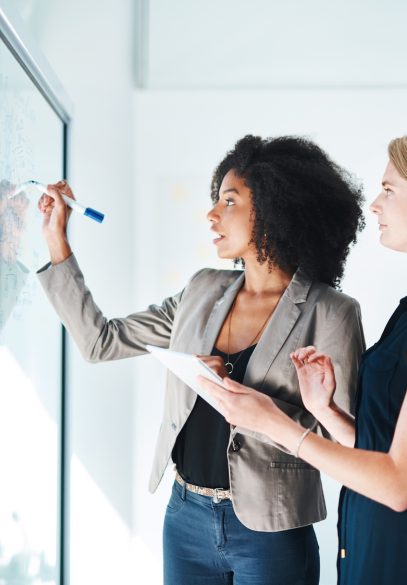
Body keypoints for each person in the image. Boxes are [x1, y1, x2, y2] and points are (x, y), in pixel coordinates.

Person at [37, 135, 365, 585]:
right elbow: (101, 341)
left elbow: (348, 446)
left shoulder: (331, 312)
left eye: (229, 201)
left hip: (271, 529)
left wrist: (244, 401)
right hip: (185, 518)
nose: (212, 214)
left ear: (273, 209)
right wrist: (57, 240)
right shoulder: (202, 289)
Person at [199, 135, 407, 585]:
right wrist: (324, 411)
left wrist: (275, 423)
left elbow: (397, 484)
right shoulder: (405, 313)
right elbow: (380, 453)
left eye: (389, 190)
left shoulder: (334, 310)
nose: (374, 204)